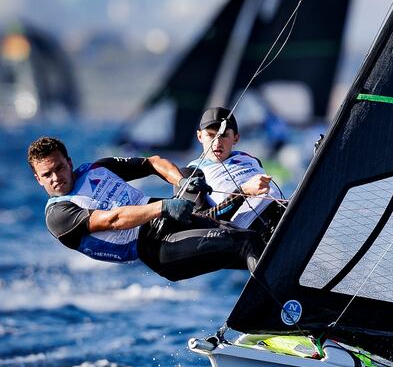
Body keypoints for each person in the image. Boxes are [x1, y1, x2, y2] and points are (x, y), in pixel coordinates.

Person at [28, 135, 266, 282]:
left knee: (258, 241)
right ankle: (281, 319)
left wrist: (179, 182)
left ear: (68, 163)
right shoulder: (58, 215)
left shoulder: (96, 170)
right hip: (158, 248)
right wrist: (162, 207)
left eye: (59, 168)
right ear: (38, 179)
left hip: (172, 220)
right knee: (246, 243)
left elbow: (152, 163)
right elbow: (113, 220)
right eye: (46, 174)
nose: (55, 177)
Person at [187, 107, 286, 239]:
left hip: (285, 215)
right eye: (210, 135)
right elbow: (199, 221)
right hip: (251, 236)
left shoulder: (251, 159)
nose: (217, 143)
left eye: (224, 135)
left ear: (236, 138)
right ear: (200, 136)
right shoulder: (191, 173)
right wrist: (242, 192)